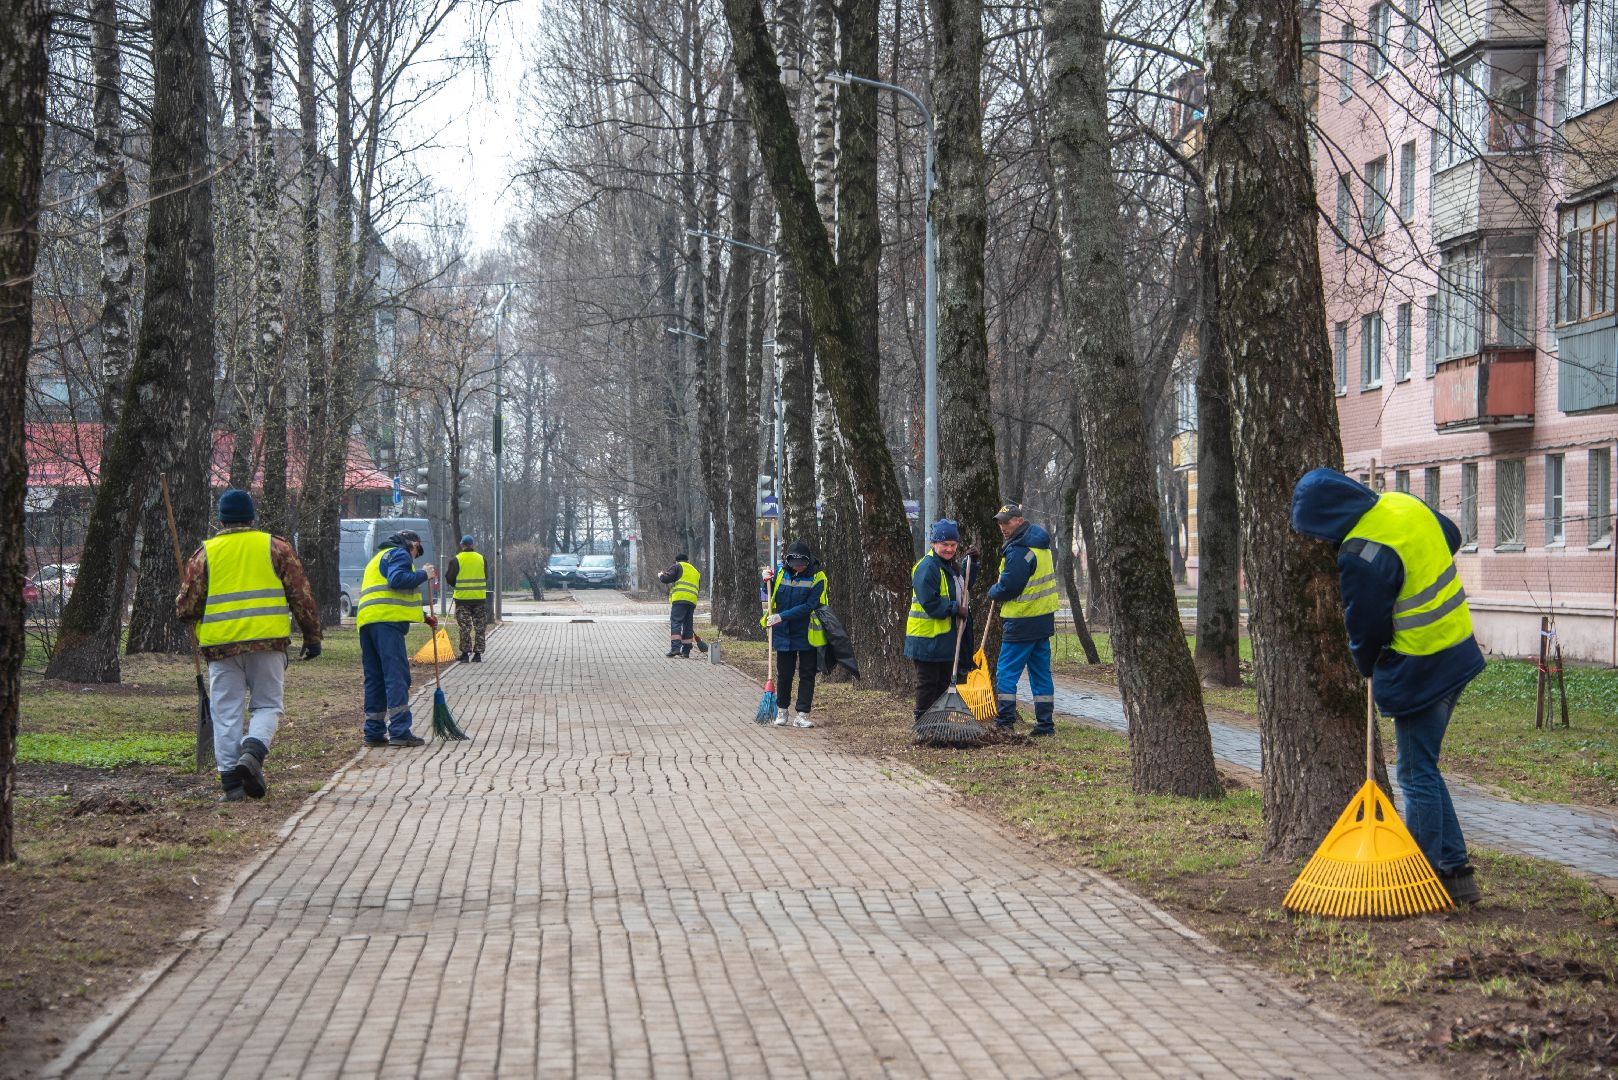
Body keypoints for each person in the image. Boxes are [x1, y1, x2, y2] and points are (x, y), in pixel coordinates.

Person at [1291, 467, 1485, 905]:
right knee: (1425, 767)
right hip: (1458, 648)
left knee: (1415, 775)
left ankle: (1422, 876)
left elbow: (1365, 626)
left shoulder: (1361, 554)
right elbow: (1449, 534)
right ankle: (1457, 874)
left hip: (1423, 666)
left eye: (1317, 533)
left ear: (1327, 519)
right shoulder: (1402, 503)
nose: (1320, 543)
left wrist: (1364, 664)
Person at [175, 489, 321, 802]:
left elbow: (187, 610)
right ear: (252, 517)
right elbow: (301, 594)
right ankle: (252, 753)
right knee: (267, 705)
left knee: (225, 713)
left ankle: (232, 783)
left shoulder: (204, 555)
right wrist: (312, 635)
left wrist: (182, 600)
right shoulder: (275, 547)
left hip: (221, 647)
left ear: (221, 520)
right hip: (268, 643)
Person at [357, 529, 437, 748]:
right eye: (417, 550)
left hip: (368, 623)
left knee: (374, 678)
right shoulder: (399, 553)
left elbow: (388, 597)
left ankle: (373, 732)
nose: (416, 555)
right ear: (411, 544)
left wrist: (423, 617)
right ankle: (400, 731)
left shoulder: (377, 558)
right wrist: (424, 574)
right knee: (396, 677)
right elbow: (397, 580)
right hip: (387, 625)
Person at [987, 503, 1059, 736]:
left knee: (1006, 672)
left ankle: (1005, 720)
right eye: (1000, 522)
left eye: (1006, 522)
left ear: (1019, 520)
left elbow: (1010, 587)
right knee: (1040, 673)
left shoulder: (1020, 550)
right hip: (1042, 620)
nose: (1002, 527)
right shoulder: (1041, 546)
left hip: (1021, 621)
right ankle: (1045, 725)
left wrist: (993, 591)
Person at [905, 519, 980, 721]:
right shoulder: (927, 567)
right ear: (933, 544)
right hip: (926, 638)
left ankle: (937, 722)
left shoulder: (950, 566)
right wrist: (955, 609)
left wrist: (972, 564)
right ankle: (922, 722)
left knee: (943, 683)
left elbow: (963, 588)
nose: (949, 549)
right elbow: (931, 603)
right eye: (944, 544)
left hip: (945, 638)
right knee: (928, 683)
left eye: (953, 545)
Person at [763, 540, 827, 728]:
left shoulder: (818, 577)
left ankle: (802, 714)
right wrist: (765, 580)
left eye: (802, 565)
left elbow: (809, 606)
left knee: (807, 673)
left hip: (807, 632)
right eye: (795, 565)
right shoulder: (781, 571)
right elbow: (768, 593)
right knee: (784, 673)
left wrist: (781, 616)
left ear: (808, 562)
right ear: (788, 562)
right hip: (784, 633)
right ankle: (782, 711)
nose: (798, 568)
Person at [445, 533, 488, 663]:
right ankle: (478, 654)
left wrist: (457, 586)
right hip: (479, 599)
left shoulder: (456, 560)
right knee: (479, 627)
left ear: (462, 545)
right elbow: (486, 576)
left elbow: (449, 578)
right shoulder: (481, 559)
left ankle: (465, 654)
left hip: (462, 600)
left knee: (465, 627)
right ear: (472, 545)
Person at [658, 553, 707, 658]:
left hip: (680, 599)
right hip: (692, 601)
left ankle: (675, 648)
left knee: (676, 623)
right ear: (687, 560)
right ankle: (686, 651)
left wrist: (661, 575)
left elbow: (666, 579)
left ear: (677, 561)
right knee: (688, 626)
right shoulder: (695, 571)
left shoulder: (677, 566)